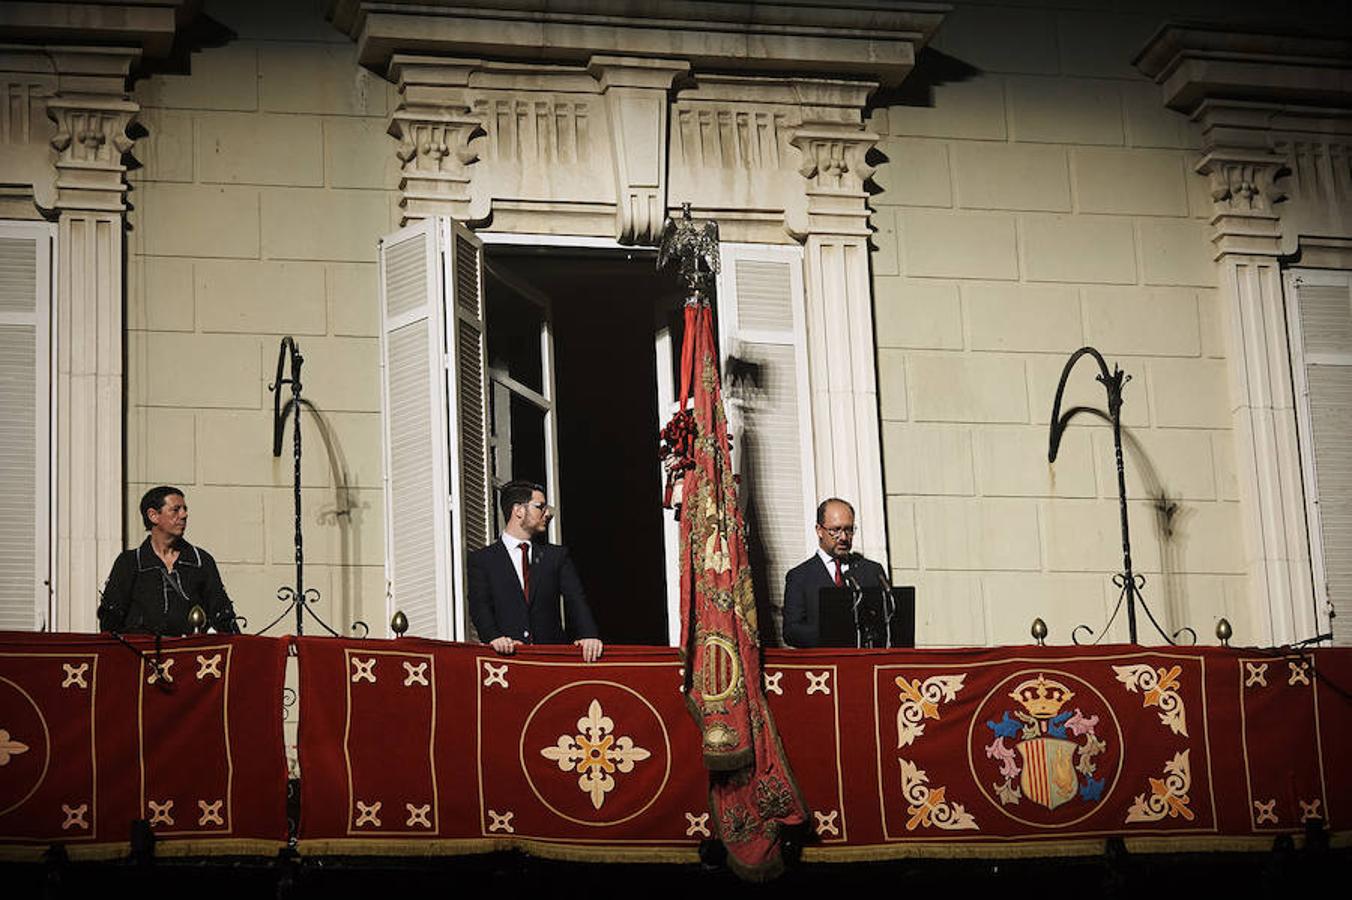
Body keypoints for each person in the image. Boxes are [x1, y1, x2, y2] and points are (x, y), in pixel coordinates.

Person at [468, 480, 603, 662]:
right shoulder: (483, 560)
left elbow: (576, 599)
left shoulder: (556, 556)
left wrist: (589, 635)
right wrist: (493, 637)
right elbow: (479, 606)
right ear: (518, 510)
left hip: (551, 662)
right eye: (540, 507)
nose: (547, 514)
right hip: (506, 661)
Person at [98, 485, 240, 636]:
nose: (184, 515)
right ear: (153, 515)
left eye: (185, 509)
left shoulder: (201, 561)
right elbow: (110, 620)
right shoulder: (129, 562)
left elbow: (222, 615)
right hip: (142, 655)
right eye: (176, 509)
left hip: (190, 655)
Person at [781, 497, 887, 648]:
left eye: (849, 530)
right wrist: (835, 635)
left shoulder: (872, 571)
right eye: (835, 530)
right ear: (819, 530)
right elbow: (791, 632)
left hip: (865, 664)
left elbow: (887, 621)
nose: (843, 537)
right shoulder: (799, 577)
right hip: (823, 667)